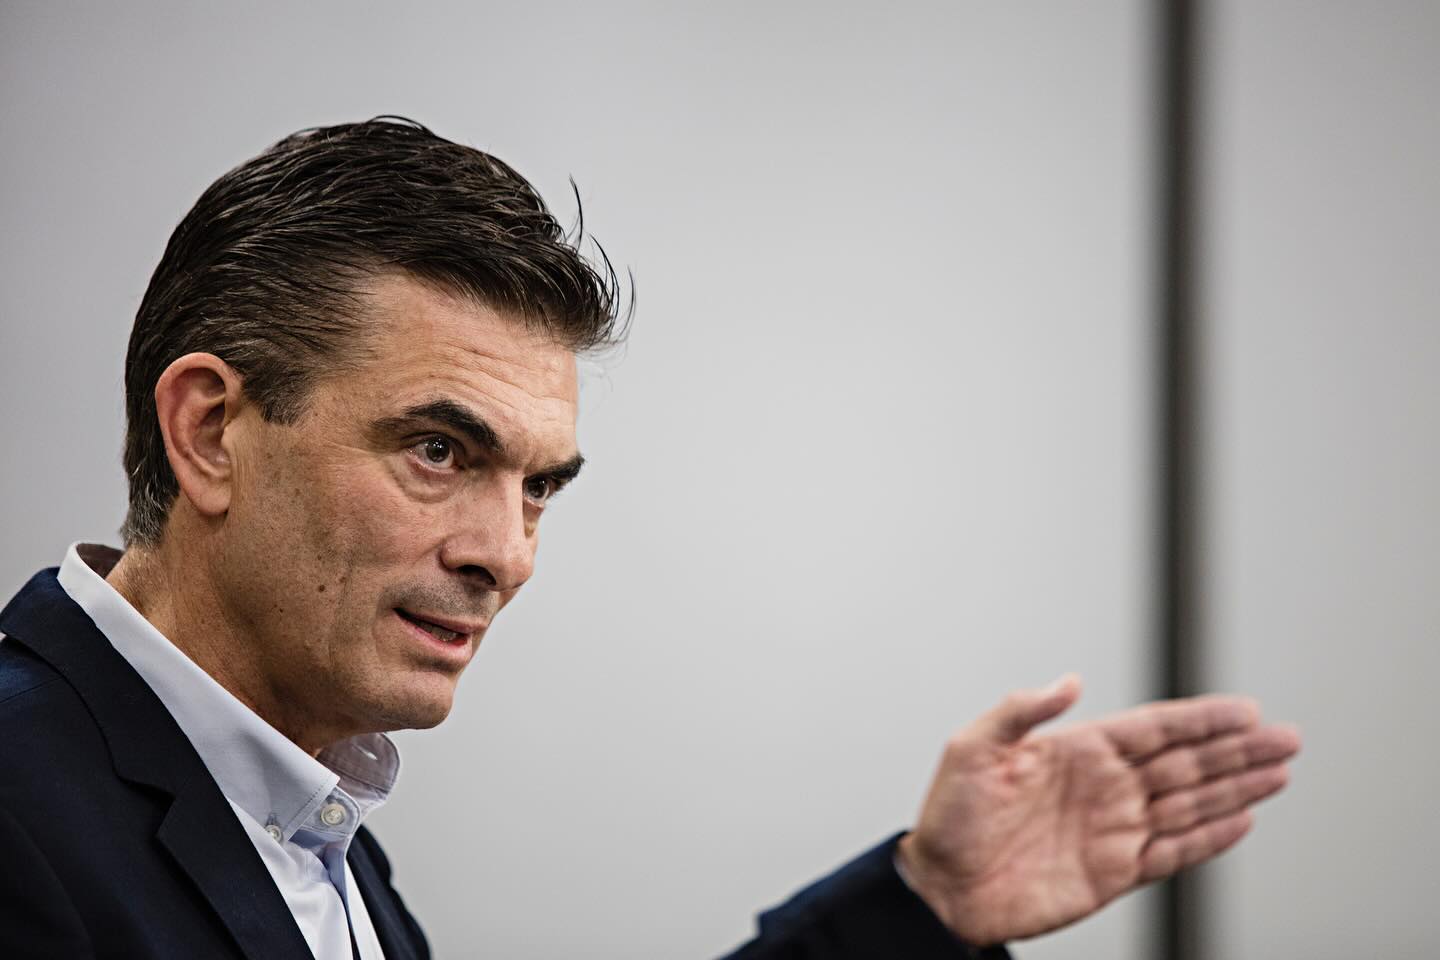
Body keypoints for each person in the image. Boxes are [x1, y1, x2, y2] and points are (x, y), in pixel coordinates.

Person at [0, 119, 1300, 959]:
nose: (506, 555)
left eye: (539, 487)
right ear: (211, 432)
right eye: (438, 451)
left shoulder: (304, 812)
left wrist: (926, 904)